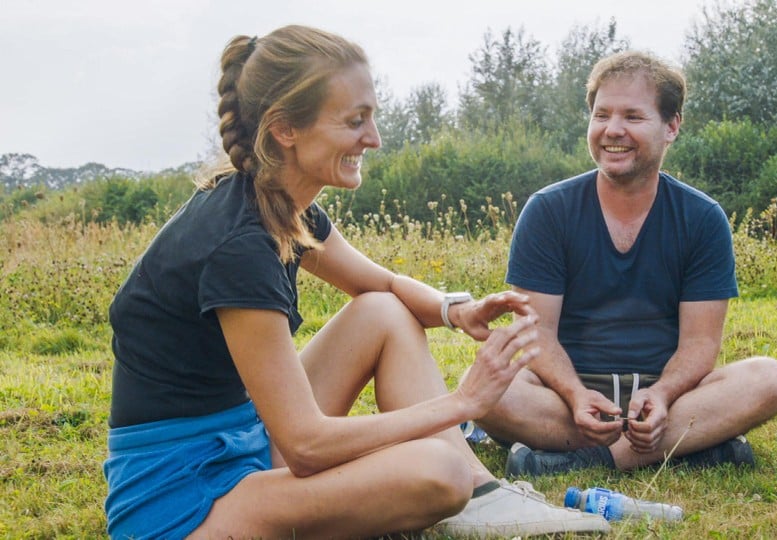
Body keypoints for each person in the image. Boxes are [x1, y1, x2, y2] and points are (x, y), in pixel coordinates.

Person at [102, 25, 610, 539]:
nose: (374, 138)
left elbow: (384, 285)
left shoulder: (281, 205)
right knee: (439, 473)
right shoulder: (238, 246)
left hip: (244, 444)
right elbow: (305, 446)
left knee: (382, 311)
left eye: (372, 117)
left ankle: (480, 498)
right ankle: (463, 486)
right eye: (355, 121)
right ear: (285, 130)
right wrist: (463, 404)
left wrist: (457, 312)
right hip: (185, 503)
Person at [474, 50, 777, 477]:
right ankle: (692, 450)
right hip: (568, 397)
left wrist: (662, 394)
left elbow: (700, 344)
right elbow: (537, 336)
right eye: (602, 115)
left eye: (632, 117)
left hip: (668, 397)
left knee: (771, 380)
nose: (613, 130)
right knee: (490, 388)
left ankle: (580, 459)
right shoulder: (547, 210)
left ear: (672, 126)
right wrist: (574, 395)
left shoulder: (702, 218)